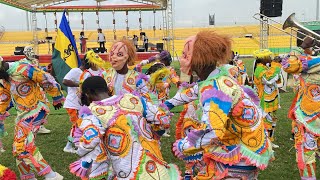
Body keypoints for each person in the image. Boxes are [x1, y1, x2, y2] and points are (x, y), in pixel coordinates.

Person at [164, 31, 274, 179]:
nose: (181, 59)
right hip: (243, 147)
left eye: (185, 55)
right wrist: (167, 105)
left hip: (239, 156)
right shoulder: (217, 76)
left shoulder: (215, 90)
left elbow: (212, 131)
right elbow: (194, 90)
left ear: (198, 60)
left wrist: (181, 146)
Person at [70, 76, 180, 180]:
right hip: (155, 164)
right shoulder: (133, 99)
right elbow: (163, 119)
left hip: (128, 171)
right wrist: (154, 136)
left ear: (88, 94)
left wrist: (80, 148)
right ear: (108, 89)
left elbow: (91, 140)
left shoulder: (93, 112)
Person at [0, 54, 64, 180]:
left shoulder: (23, 68)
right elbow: (4, 97)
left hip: (35, 110)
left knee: (22, 147)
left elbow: (43, 77)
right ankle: (28, 177)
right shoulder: (4, 78)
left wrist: (56, 96)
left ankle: (51, 176)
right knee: (18, 147)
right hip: (23, 115)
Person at [281, 37, 320, 180]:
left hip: (308, 118)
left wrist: (302, 47)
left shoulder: (310, 62)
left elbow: (288, 65)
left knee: (307, 155)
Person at [253, 49, 282, 148]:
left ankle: (270, 141)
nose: (271, 58)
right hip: (265, 101)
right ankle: (265, 142)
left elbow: (277, 79)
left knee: (272, 120)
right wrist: (276, 65)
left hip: (272, 99)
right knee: (267, 121)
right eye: (269, 56)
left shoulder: (265, 68)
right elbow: (269, 80)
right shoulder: (259, 70)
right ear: (263, 58)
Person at [22, 46, 52, 134]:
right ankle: (27, 126)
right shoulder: (23, 63)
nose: (31, 53)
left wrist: (46, 69)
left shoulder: (35, 61)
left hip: (38, 88)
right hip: (27, 89)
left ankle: (39, 126)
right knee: (28, 109)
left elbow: (39, 72)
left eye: (31, 51)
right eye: (28, 51)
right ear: (24, 53)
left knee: (44, 107)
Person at [62, 59, 86, 153]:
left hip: (78, 104)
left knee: (79, 124)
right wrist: (79, 84)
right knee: (76, 125)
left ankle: (77, 144)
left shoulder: (85, 73)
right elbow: (65, 81)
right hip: (72, 104)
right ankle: (68, 146)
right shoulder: (76, 71)